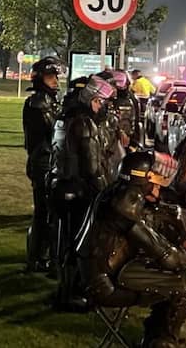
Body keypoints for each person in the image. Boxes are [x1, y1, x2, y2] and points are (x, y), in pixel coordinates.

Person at [76, 150, 186, 347]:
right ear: (144, 177)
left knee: (173, 279)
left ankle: (156, 336)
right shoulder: (126, 203)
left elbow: (152, 231)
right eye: (154, 176)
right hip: (105, 285)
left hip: (105, 272)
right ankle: (162, 341)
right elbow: (163, 253)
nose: (158, 185)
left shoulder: (117, 192)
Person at [48, 74, 117, 309]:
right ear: (94, 101)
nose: (104, 108)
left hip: (61, 188)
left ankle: (65, 291)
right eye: (103, 103)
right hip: (77, 192)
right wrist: (107, 193)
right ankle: (71, 294)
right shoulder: (85, 123)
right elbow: (92, 166)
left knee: (65, 242)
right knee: (79, 244)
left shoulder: (65, 117)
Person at [22, 56, 64, 273]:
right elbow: (54, 131)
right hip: (42, 162)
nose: (55, 80)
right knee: (44, 212)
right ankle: (38, 257)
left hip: (47, 160)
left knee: (49, 212)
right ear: (40, 79)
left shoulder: (49, 101)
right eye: (50, 77)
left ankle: (42, 255)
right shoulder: (38, 103)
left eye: (55, 76)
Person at [110, 69, 143, 151]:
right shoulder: (132, 98)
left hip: (122, 141)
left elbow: (135, 122)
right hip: (120, 140)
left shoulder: (130, 99)